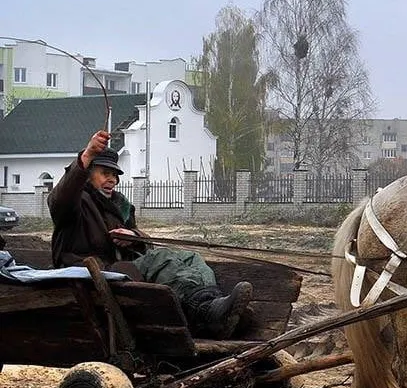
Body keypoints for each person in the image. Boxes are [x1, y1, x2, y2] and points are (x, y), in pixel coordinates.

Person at [48, 130, 253, 339]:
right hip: (89, 274)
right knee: (161, 260)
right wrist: (87, 155)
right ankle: (206, 314)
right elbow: (59, 199)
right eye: (105, 173)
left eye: (115, 176)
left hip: (121, 271)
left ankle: (212, 307)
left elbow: (145, 245)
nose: (112, 180)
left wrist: (132, 235)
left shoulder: (120, 206)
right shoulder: (76, 202)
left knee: (190, 258)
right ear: (88, 174)